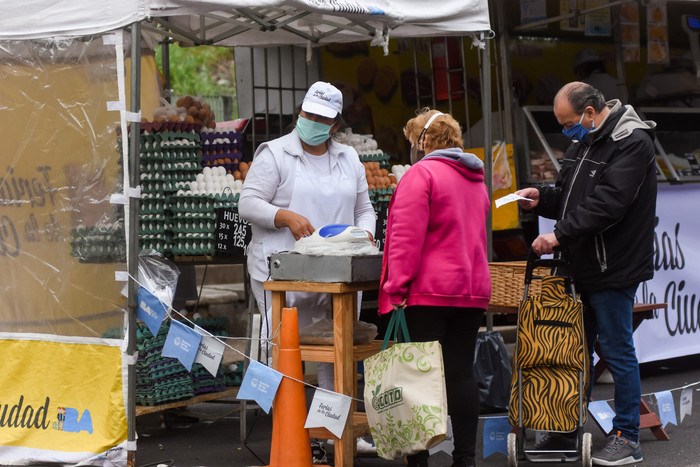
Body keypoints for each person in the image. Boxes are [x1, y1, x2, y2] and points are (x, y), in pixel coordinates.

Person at [516, 81, 656, 466]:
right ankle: (566, 430)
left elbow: (609, 204)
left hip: (615, 265)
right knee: (574, 352)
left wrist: (558, 235)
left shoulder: (632, 142)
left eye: (569, 123)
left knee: (615, 349)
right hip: (581, 265)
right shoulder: (584, 141)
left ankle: (627, 437)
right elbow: (568, 193)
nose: (566, 132)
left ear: (591, 113)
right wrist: (541, 197)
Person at [238, 80, 377, 457]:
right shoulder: (275, 154)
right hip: (284, 271)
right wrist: (283, 215)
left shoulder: (348, 158)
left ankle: (331, 434)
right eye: (307, 114)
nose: (311, 121)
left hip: (337, 271)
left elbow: (365, 209)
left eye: (320, 118)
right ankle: (295, 439)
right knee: (289, 353)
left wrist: (364, 233)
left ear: (334, 125)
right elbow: (248, 203)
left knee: (337, 352)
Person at [378, 108, 491, 467]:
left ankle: (419, 462)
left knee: (416, 379)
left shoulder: (420, 174)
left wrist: (395, 288)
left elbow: (404, 241)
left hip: (427, 293)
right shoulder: (475, 178)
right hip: (470, 292)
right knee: (460, 372)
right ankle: (465, 459)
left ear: (424, 141)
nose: (412, 147)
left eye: (413, 141)